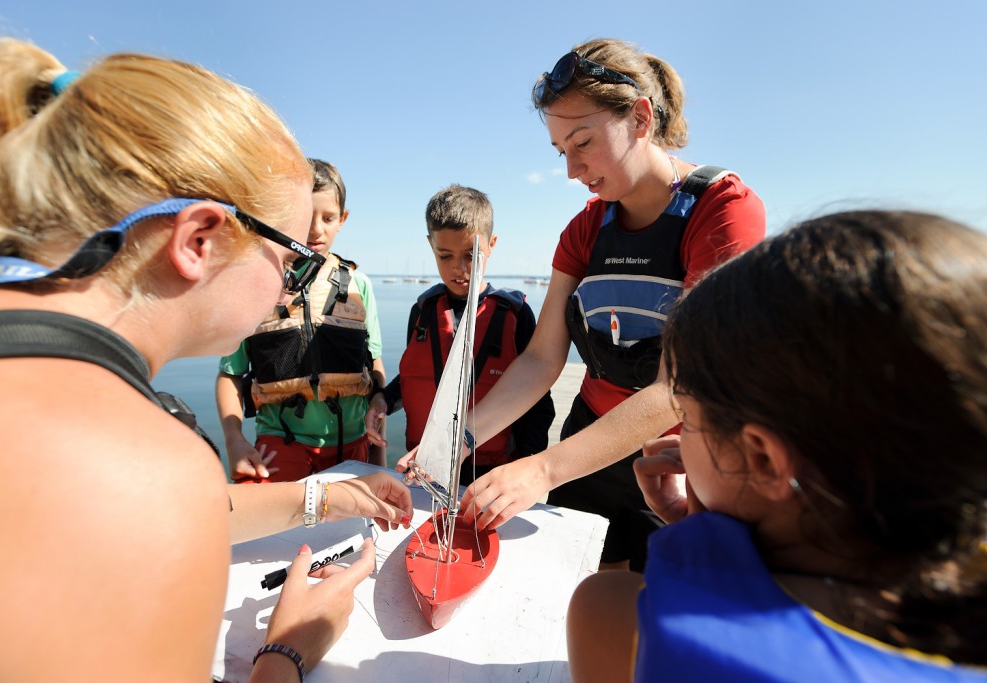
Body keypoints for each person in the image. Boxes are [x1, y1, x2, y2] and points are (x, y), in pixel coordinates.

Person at [0, 38, 412, 682]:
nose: (290, 283)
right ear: (198, 240)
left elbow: (196, 511)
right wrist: (287, 650)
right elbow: (153, 506)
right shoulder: (143, 465)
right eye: (290, 261)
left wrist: (324, 497)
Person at [565, 210, 987, 681]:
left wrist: (701, 534)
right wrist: (721, 505)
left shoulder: (621, 620)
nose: (677, 436)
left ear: (764, 458)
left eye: (687, 418)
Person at [443, 38, 765, 571]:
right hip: (587, 443)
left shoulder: (724, 211)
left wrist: (541, 471)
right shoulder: (585, 229)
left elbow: (677, 389)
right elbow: (543, 359)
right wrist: (458, 438)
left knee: (650, 616)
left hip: (680, 462)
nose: (572, 170)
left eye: (583, 142)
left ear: (640, 117)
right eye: (561, 152)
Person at [366, 184, 554, 485]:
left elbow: (538, 402)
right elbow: (415, 377)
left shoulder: (515, 316)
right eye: (445, 256)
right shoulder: (423, 311)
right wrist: (383, 400)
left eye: (470, 255)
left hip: (490, 473)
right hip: (422, 468)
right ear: (431, 246)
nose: (459, 268)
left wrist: (524, 469)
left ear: (491, 244)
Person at [216, 159, 386, 483]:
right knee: (276, 530)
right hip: (280, 442)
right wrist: (233, 440)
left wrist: (377, 457)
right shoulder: (257, 283)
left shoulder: (359, 285)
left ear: (343, 219)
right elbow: (230, 373)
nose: (316, 229)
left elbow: (374, 366)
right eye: (307, 216)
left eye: (328, 217)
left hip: (352, 445)